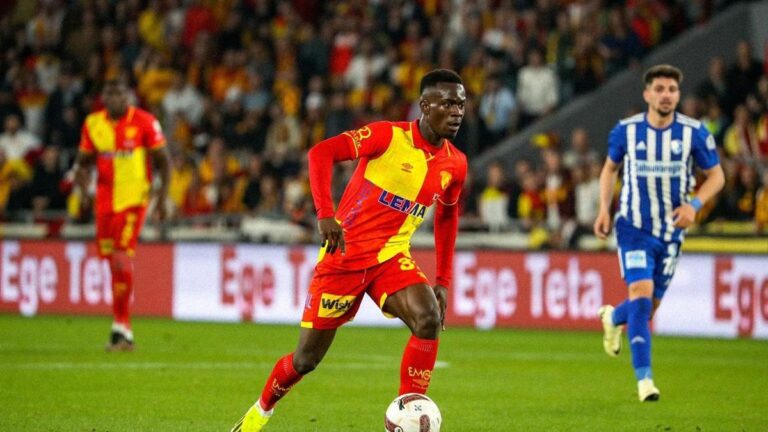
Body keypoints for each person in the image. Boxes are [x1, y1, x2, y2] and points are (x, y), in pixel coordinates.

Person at [231, 69, 468, 432]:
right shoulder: (386, 136)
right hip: (343, 256)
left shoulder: (456, 163)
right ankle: (259, 412)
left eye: (461, 105)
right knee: (305, 360)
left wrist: (443, 281)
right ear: (424, 105)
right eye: (448, 103)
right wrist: (325, 214)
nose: (456, 112)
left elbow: (447, 217)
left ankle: (408, 415)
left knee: (428, 318)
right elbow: (320, 153)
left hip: (390, 256)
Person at [594, 65, 725, 402]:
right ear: (647, 94)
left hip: (671, 233)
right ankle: (645, 381)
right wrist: (604, 209)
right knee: (640, 293)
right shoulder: (626, 131)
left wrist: (694, 205)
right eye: (660, 89)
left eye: (672, 90)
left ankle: (613, 317)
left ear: (678, 96)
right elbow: (609, 170)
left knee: (647, 308)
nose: (666, 95)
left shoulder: (694, 133)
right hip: (633, 227)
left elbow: (717, 176)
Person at [73, 79, 171, 352]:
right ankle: (120, 327)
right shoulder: (93, 123)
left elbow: (164, 162)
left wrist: (161, 199)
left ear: (128, 97)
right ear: (103, 97)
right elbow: (82, 163)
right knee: (111, 262)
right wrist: (83, 189)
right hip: (104, 204)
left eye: (119, 94)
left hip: (134, 201)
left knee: (120, 257)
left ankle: (123, 328)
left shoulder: (144, 122)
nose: (114, 98)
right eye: (109, 93)